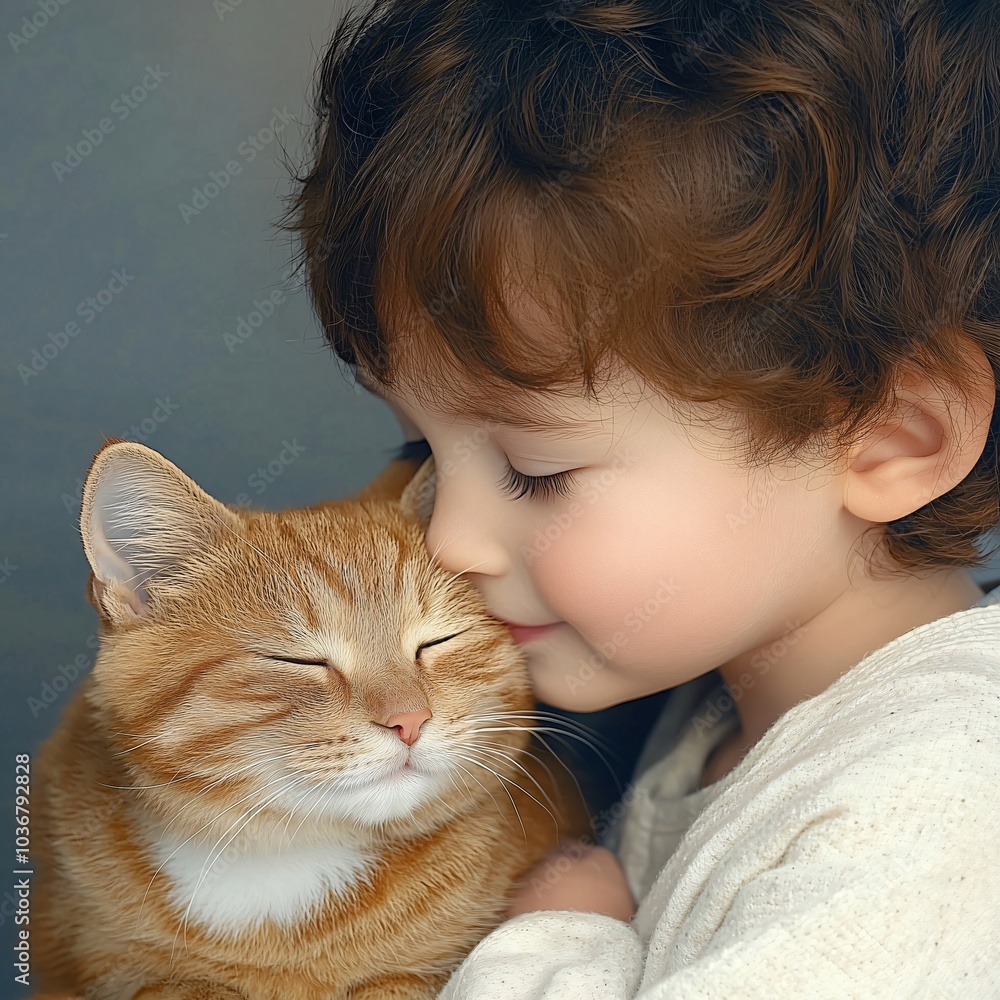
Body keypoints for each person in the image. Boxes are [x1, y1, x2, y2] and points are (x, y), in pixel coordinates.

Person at [284, 0, 1000, 994]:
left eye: (535, 470)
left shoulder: (935, 815)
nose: (445, 538)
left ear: (889, 435)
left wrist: (557, 947)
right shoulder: (722, 692)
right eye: (422, 447)